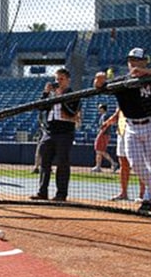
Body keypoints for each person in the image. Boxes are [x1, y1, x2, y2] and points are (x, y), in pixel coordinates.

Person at [93, 48, 151, 214]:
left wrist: (147, 72)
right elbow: (101, 88)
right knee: (136, 164)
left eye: (137, 60)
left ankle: (147, 200)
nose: (133, 63)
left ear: (145, 61)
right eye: (131, 60)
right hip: (131, 127)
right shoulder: (123, 81)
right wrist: (98, 82)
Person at [30, 68, 80, 202]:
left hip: (65, 132)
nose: (58, 82)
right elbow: (40, 107)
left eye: (61, 79)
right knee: (44, 163)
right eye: (56, 79)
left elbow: (71, 112)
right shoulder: (52, 95)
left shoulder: (73, 94)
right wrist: (45, 93)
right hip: (50, 132)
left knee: (62, 164)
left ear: (68, 80)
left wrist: (61, 98)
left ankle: (61, 194)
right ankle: (42, 192)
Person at [106, 108, 145, 202]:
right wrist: (109, 121)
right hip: (122, 131)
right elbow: (119, 111)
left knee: (140, 164)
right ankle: (124, 193)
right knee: (123, 163)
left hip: (134, 131)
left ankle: (142, 195)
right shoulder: (121, 97)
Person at [91, 103, 118, 173]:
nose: (98, 109)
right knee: (99, 151)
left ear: (102, 108)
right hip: (104, 134)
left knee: (99, 150)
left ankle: (113, 163)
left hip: (103, 134)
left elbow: (105, 126)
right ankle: (98, 167)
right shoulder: (103, 115)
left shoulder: (105, 115)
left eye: (99, 108)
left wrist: (100, 134)